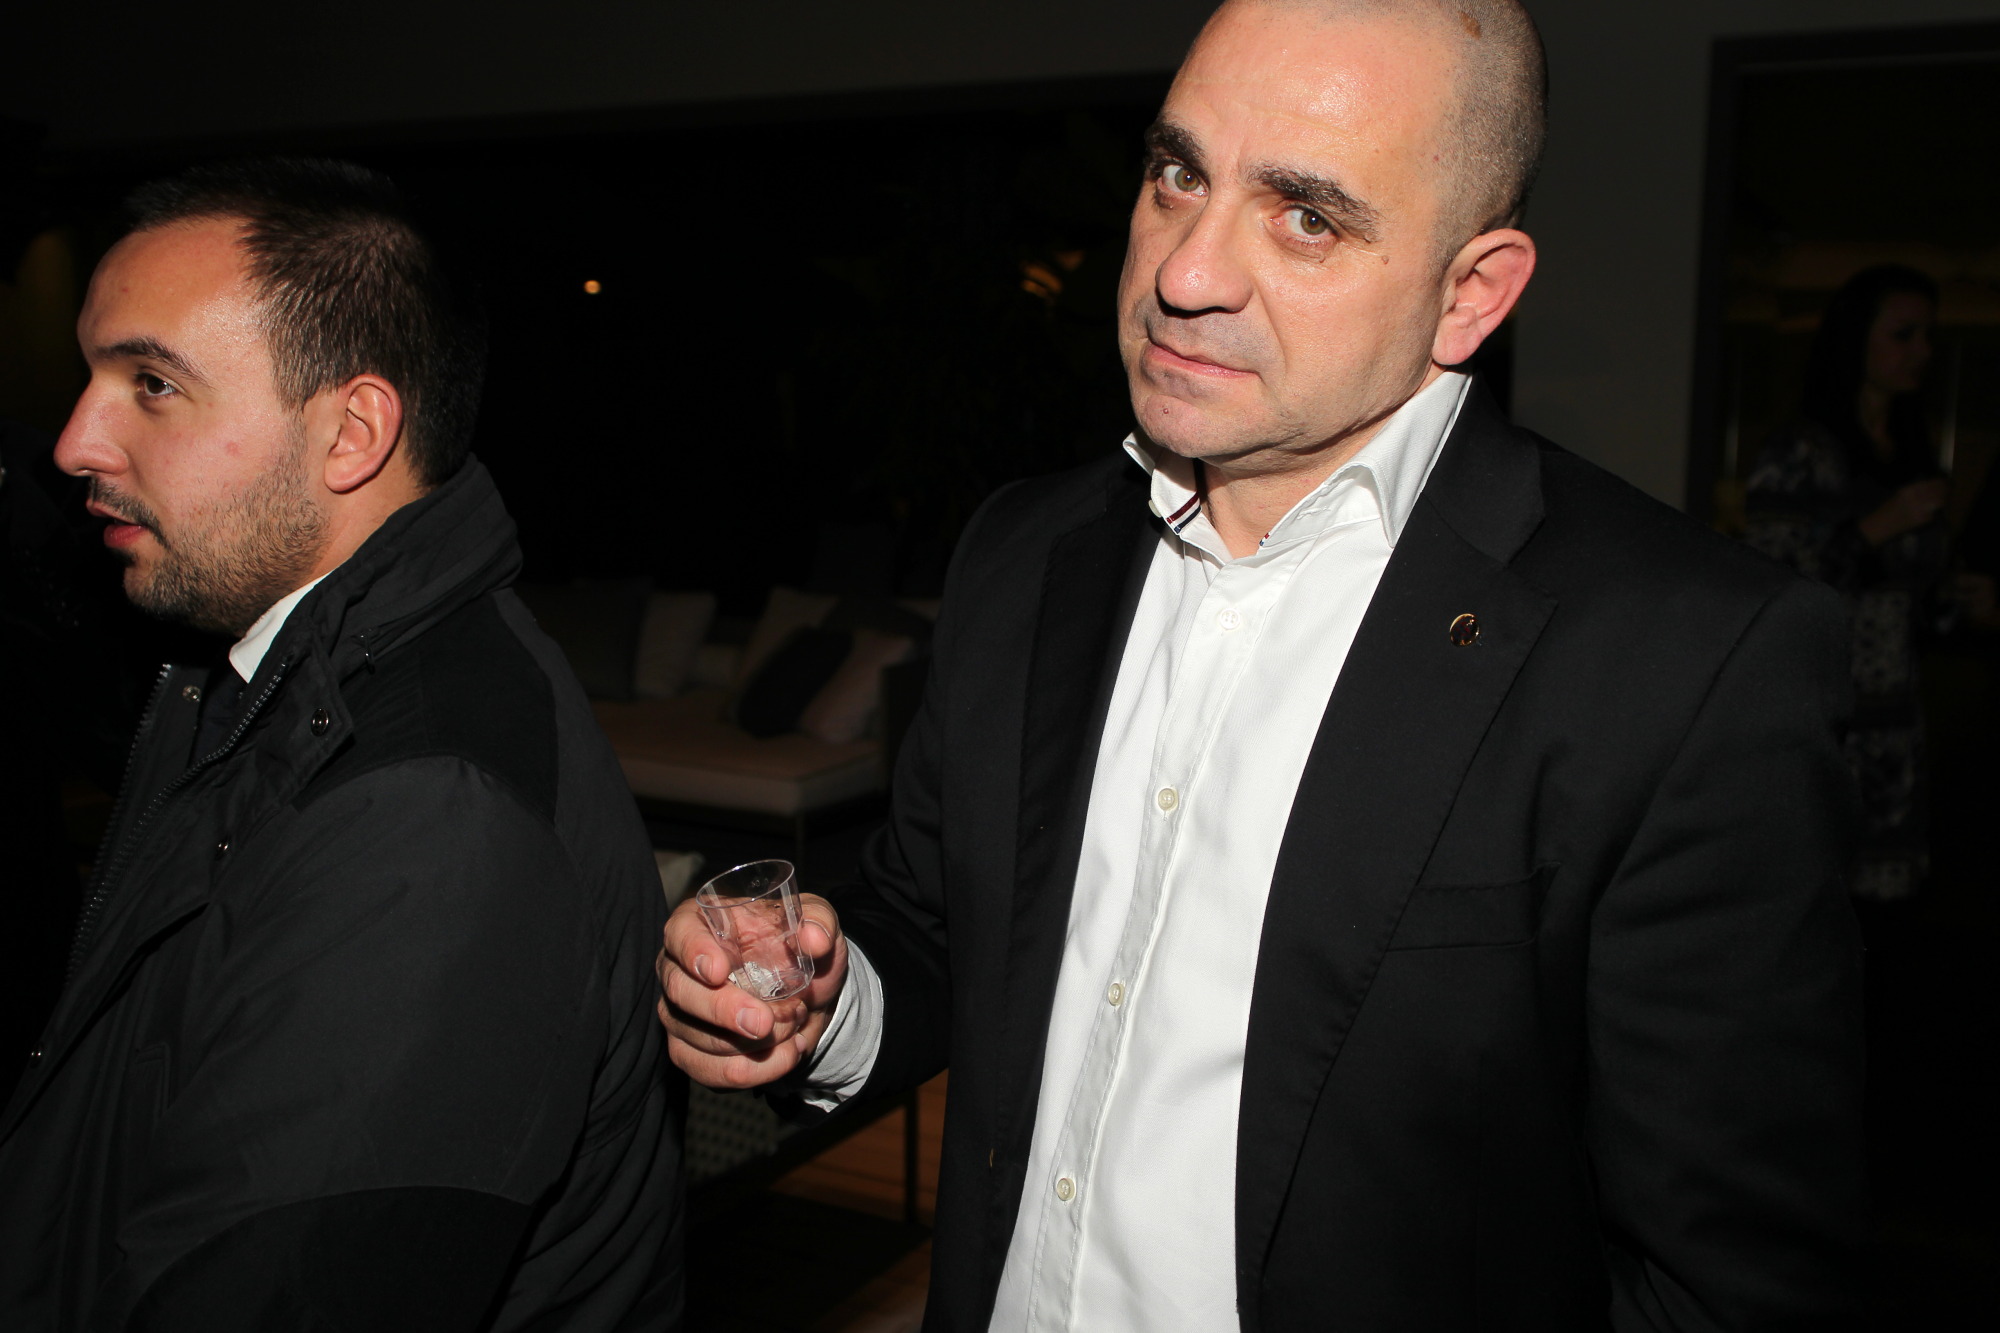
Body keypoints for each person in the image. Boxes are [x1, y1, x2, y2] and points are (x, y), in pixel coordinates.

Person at [660, 1, 1865, 1327]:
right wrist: (821, 1004)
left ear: (1469, 292)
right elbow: (939, 932)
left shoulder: (1687, 662)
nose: (1185, 271)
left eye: (1305, 218)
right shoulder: (1024, 553)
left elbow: (1726, 1282)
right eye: (1178, 174)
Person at [0, 159, 683, 1330]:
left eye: (151, 383)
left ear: (351, 432)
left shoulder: (429, 822)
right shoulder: (249, 667)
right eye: (91, 375)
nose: (73, 442)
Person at [1744, 264, 1946, 905]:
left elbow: (1915, 597)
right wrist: (1877, 528)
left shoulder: (1910, 450)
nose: (1922, 352)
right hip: (1824, 713)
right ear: (1857, 338)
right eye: (1904, 334)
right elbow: (1768, 581)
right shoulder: (1800, 450)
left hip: (1897, 716)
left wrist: (1957, 598)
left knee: (1891, 908)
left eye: (1928, 336)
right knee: (1817, 902)